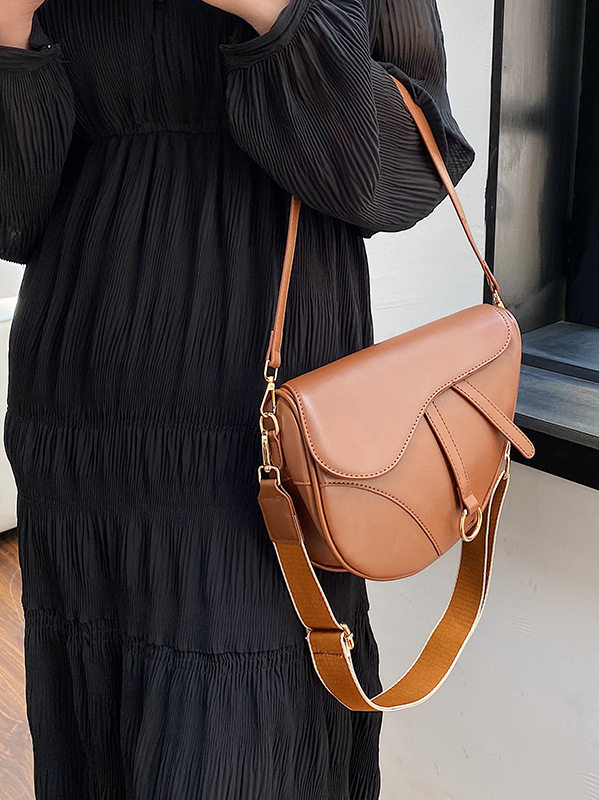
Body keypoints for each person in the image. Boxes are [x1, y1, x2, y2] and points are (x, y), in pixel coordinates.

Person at [0, 0, 475, 797]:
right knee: (97, 719)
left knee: (250, 732)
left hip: (266, 423)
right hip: (77, 420)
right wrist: (10, 26)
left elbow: (404, 172)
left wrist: (271, 10)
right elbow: (15, 217)